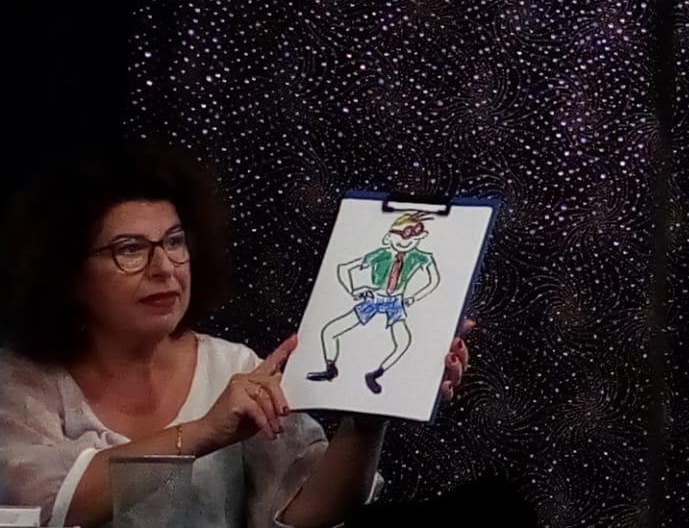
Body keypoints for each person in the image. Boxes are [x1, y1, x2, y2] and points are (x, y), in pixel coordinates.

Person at [0, 139, 472, 528]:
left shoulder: (232, 366)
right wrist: (204, 432)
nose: (164, 267)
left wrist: (367, 421)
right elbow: (49, 506)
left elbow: (306, 511)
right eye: (130, 249)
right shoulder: (21, 384)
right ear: (68, 273)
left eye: (174, 242)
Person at [306, 211, 442, 394]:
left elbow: (434, 280)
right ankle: (330, 368)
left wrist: (413, 298)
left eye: (413, 237)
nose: (407, 241)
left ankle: (376, 374)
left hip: (395, 303)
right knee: (330, 331)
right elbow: (344, 268)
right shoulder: (381, 254)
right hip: (374, 299)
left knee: (403, 341)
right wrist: (354, 291)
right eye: (402, 235)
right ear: (388, 237)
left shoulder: (419, 257)